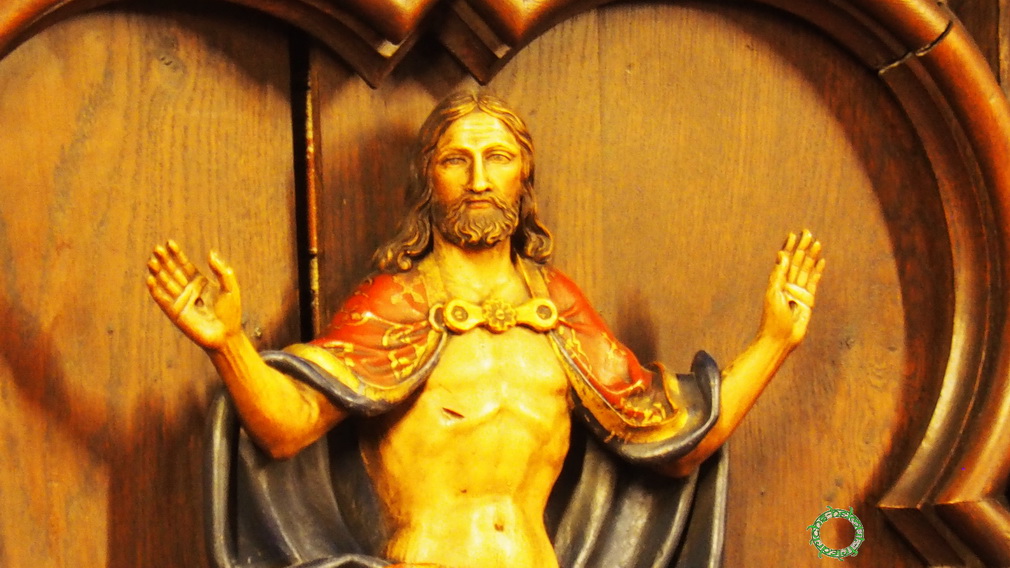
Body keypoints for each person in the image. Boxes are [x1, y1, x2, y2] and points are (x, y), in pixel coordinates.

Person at [147, 91, 824, 568]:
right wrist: (227, 345)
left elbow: (673, 440)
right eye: (455, 160)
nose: (478, 179)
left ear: (524, 176)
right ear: (428, 179)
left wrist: (773, 343)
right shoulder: (398, 303)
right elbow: (286, 427)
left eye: (497, 157)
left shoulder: (559, 307)